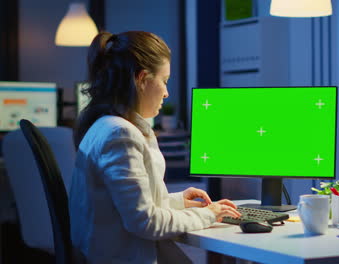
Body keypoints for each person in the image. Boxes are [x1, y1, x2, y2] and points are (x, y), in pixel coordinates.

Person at [69, 31, 241, 264]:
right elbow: (145, 222)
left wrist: (178, 201)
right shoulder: (119, 134)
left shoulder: (106, 126)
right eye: (164, 80)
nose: (167, 92)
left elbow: (127, 207)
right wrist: (207, 214)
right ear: (142, 79)